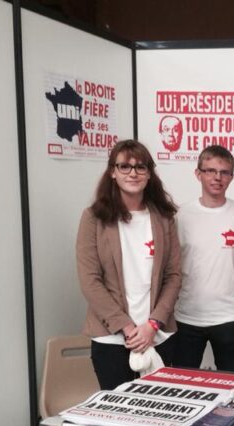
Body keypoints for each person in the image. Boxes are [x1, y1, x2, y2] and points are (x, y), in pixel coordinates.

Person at [76, 139, 181, 390]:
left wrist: (152, 325)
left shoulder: (165, 218)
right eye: (124, 166)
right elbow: (90, 280)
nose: (133, 173)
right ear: (112, 172)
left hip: (158, 336)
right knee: (118, 420)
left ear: (149, 174)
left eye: (140, 167)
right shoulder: (93, 218)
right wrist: (128, 327)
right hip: (111, 339)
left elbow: (173, 275)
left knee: (162, 417)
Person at [172, 145, 234, 372]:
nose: (217, 177)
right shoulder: (181, 215)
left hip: (230, 317)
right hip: (187, 317)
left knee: (230, 386)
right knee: (182, 387)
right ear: (198, 174)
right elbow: (170, 266)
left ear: (231, 177)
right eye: (210, 171)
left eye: (224, 172)